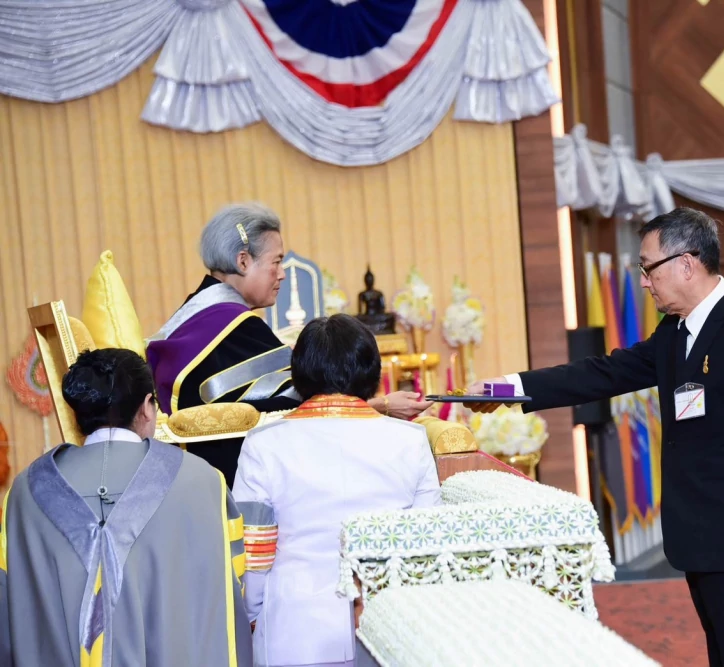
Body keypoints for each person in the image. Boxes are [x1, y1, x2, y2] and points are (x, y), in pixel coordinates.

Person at [472, 208, 724, 667]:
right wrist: (508, 388)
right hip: (702, 541)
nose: (645, 282)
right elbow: (604, 372)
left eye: (648, 268)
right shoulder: (677, 331)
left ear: (686, 264)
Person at [146, 202, 431, 485]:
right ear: (243, 261)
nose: (282, 273)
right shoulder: (235, 326)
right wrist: (381, 406)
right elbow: (303, 401)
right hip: (231, 483)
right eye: (276, 261)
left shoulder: (194, 316)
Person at [0, 348, 252, 666]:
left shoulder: (25, 492)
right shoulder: (202, 482)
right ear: (147, 407)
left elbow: (9, 607)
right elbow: (231, 594)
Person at [232, 314, 441, 667]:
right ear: (372, 372)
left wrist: (251, 615)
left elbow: (254, 552)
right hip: (388, 627)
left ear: (299, 374)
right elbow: (426, 543)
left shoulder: (263, 444)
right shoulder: (410, 440)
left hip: (294, 629)